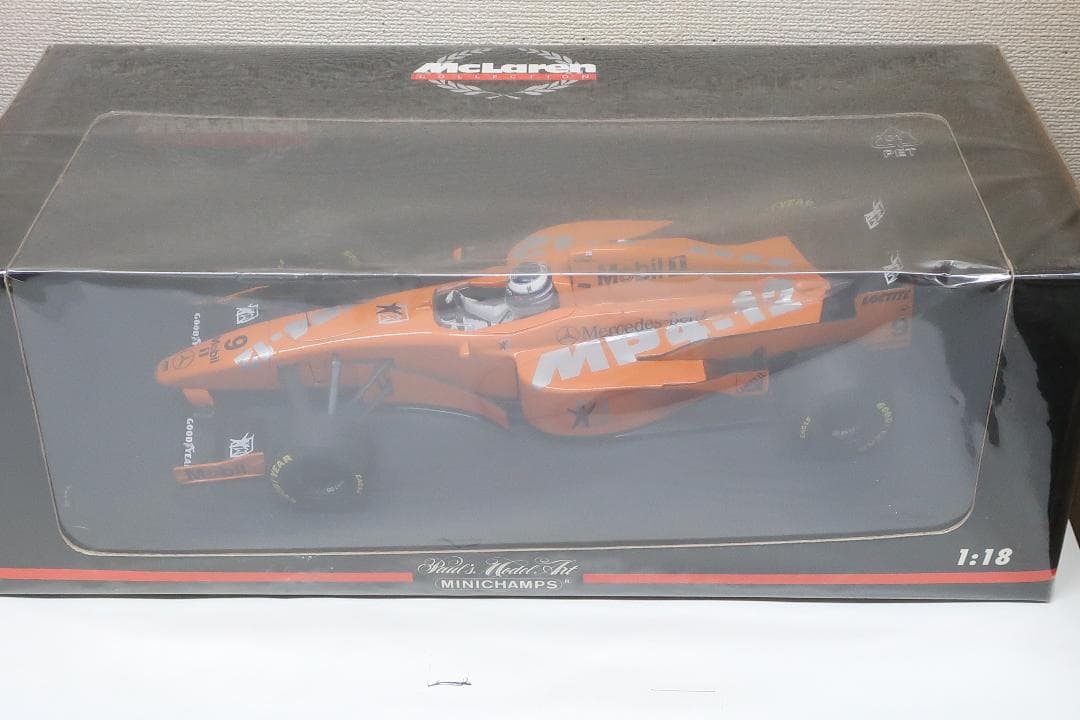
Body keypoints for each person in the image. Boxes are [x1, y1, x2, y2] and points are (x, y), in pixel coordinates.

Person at [442, 262, 559, 330]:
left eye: (516, 297)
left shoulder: (541, 329)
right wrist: (464, 302)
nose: (512, 299)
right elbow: (496, 312)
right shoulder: (516, 313)